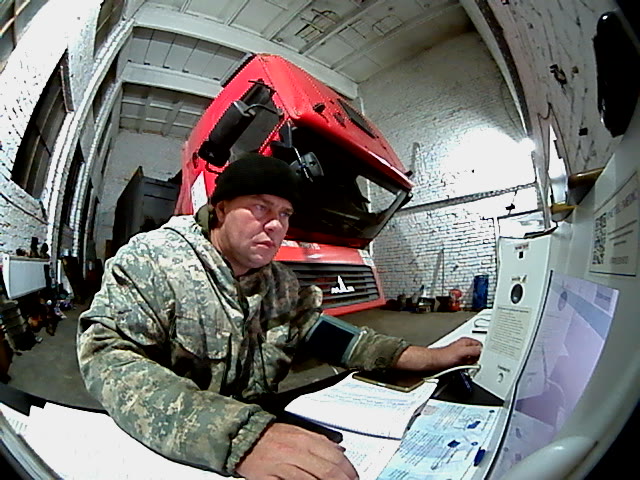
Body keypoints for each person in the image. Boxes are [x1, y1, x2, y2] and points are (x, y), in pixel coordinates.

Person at [77, 153, 482, 480]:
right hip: (176, 457)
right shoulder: (153, 259)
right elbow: (107, 357)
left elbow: (324, 335)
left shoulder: (279, 284)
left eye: (285, 214)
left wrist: (420, 357)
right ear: (220, 210)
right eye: (260, 208)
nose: (275, 226)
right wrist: (239, 437)